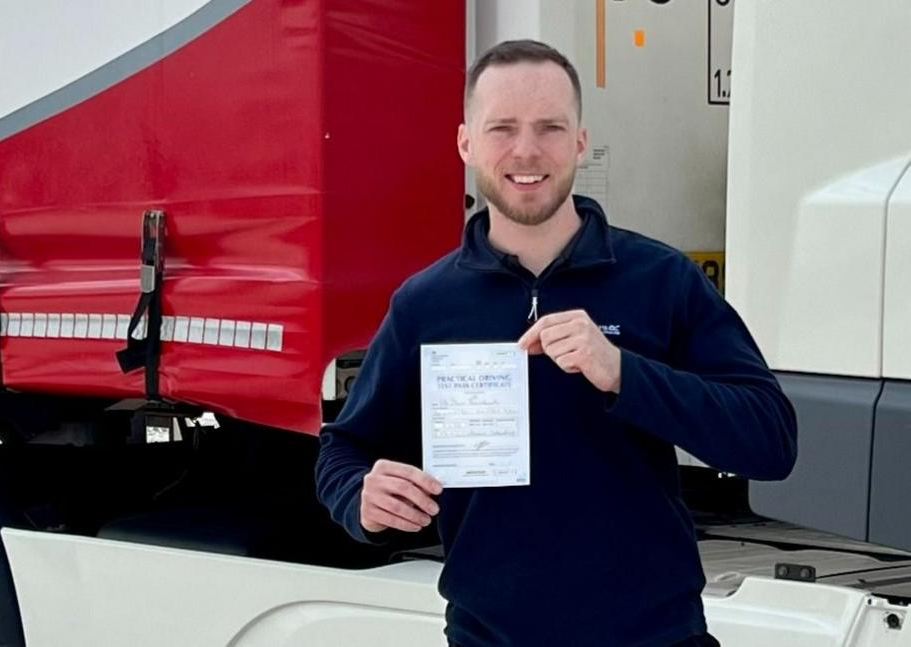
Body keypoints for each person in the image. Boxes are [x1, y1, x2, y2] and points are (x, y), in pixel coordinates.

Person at [315, 39, 797, 647]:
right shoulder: (426, 303)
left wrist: (624, 373)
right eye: (502, 129)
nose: (526, 150)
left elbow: (771, 441)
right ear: (466, 143)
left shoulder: (660, 280)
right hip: (491, 637)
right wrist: (359, 498)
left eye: (549, 127)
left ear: (578, 141)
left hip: (655, 636)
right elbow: (343, 450)